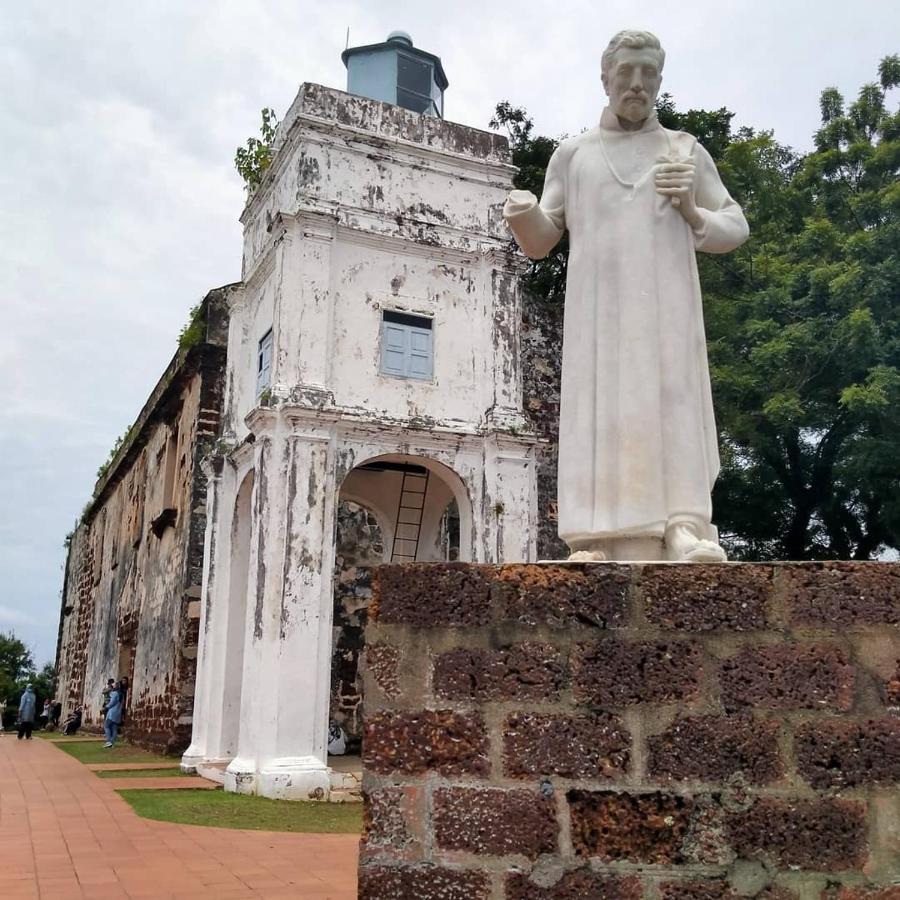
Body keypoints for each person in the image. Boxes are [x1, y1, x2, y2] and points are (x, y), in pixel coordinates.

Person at [504, 29, 749, 563]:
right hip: (600, 314)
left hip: (668, 307)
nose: (637, 85)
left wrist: (692, 209)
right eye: (626, 74)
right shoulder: (572, 155)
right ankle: (597, 537)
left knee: (673, 402)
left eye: (648, 75)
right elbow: (544, 240)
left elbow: (735, 227)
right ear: (606, 78)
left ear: (658, 79)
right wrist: (524, 215)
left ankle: (682, 525)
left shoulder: (684, 150)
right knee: (602, 411)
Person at [103, 682, 123, 748]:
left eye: (113, 686)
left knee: (106, 726)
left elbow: (112, 702)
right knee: (114, 728)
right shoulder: (121, 695)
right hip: (118, 713)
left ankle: (108, 741)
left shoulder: (115, 693)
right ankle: (112, 743)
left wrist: (106, 707)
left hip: (112, 712)